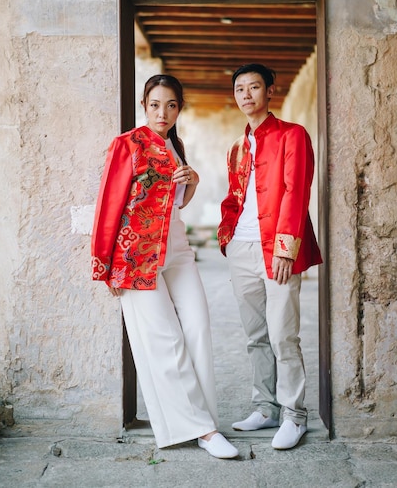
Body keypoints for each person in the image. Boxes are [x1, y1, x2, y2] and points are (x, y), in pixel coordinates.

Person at [91, 74, 238, 459]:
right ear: (144, 106)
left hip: (177, 248)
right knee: (165, 340)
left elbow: (174, 205)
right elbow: (109, 205)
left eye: (171, 105)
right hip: (137, 257)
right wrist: (104, 264)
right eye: (155, 104)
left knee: (198, 326)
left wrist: (193, 181)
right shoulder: (128, 144)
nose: (163, 112)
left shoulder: (177, 146)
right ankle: (204, 432)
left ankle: (202, 417)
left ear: (179, 109)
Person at [218, 63, 322, 450]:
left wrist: (286, 248)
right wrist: (226, 237)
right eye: (240, 88)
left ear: (270, 92)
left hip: (275, 247)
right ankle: (266, 408)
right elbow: (234, 198)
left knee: (283, 335)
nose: (246, 94)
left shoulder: (293, 135)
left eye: (254, 87)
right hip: (241, 249)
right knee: (255, 335)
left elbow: (296, 192)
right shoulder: (237, 147)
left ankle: (295, 414)